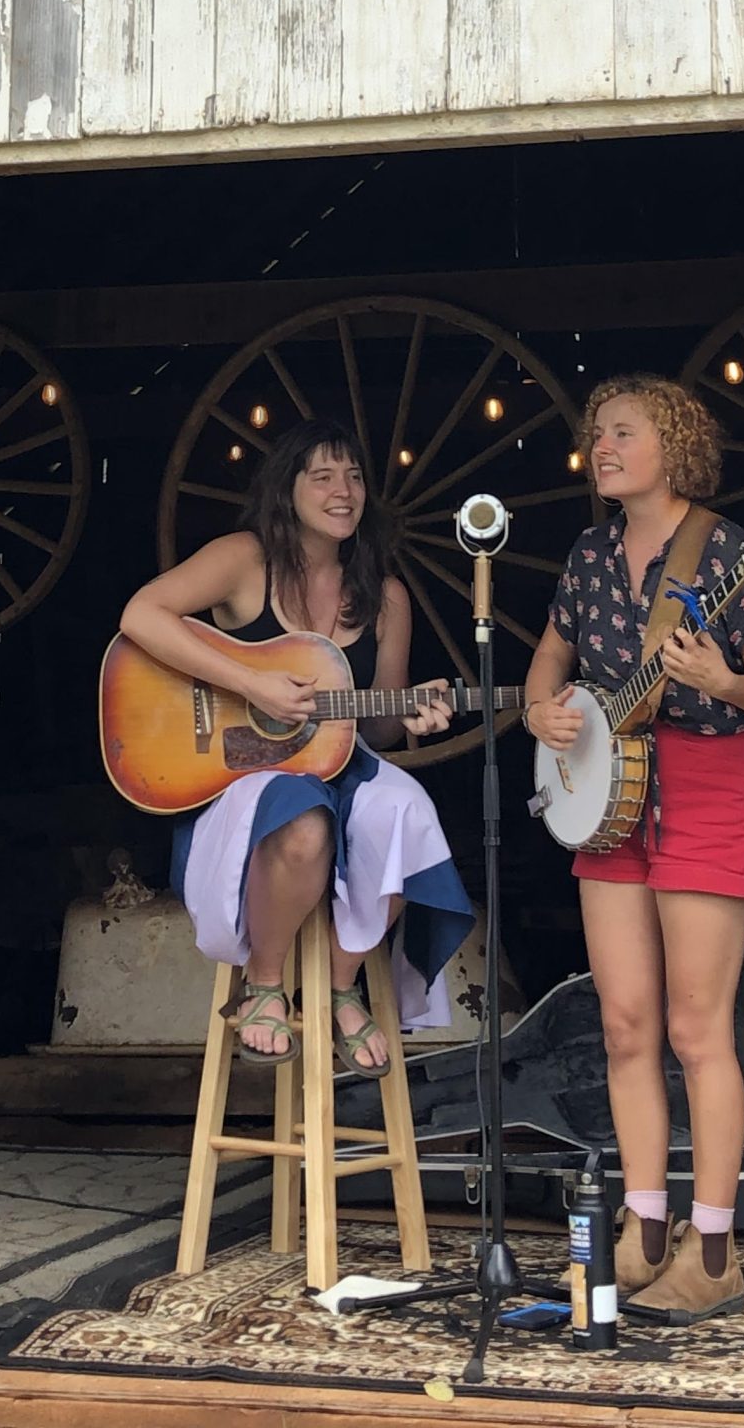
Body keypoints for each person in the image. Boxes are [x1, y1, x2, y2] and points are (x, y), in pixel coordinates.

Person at [523, 375, 744, 1323]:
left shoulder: (726, 550)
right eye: (596, 435)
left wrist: (720, 674)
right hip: (611, 793)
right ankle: (642, 1234)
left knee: (694, 1028)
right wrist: (541, 708)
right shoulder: (590, 553)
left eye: (621, 433)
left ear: (670, 447)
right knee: (626, 1025)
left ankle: (712, 1250)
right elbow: (549, 658)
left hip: (711, 781)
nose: (601, 448)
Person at [120, 419, 473, 1070]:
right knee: (304, 819)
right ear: (287, 490)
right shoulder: (244, 560)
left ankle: (342, 985)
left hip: (337, 769)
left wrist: (412, 713)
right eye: (323, 476)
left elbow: (376, 731)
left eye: (355, 476)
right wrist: (249, 684)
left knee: (406, 810)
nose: (344, 490)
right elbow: (140, 615)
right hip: (238, 779)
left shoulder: (386, 598)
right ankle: (264, 984)